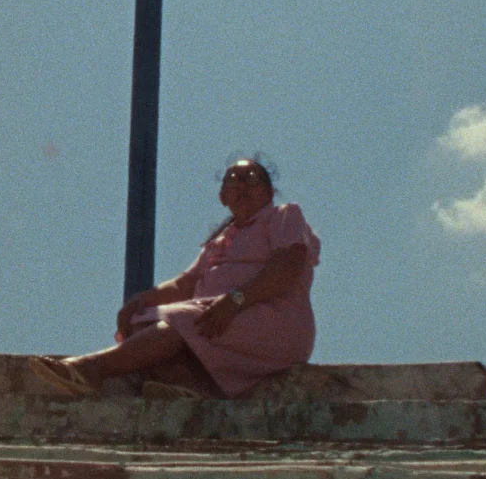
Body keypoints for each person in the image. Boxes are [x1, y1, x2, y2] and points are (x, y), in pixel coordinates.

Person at [30, 158, 320, 399]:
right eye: (233, 179)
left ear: (269, 193)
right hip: (221, 319)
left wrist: (233, 301)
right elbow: (185, 285)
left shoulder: (284, 215)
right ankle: (192, 392)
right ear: (222, 197)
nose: (242, 185)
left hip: (274, 321)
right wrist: (141, 301)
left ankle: (91, 369)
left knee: (179, 322)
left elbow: (287, 267)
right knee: (140, 321)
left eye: (252, 178)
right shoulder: (219, 241)